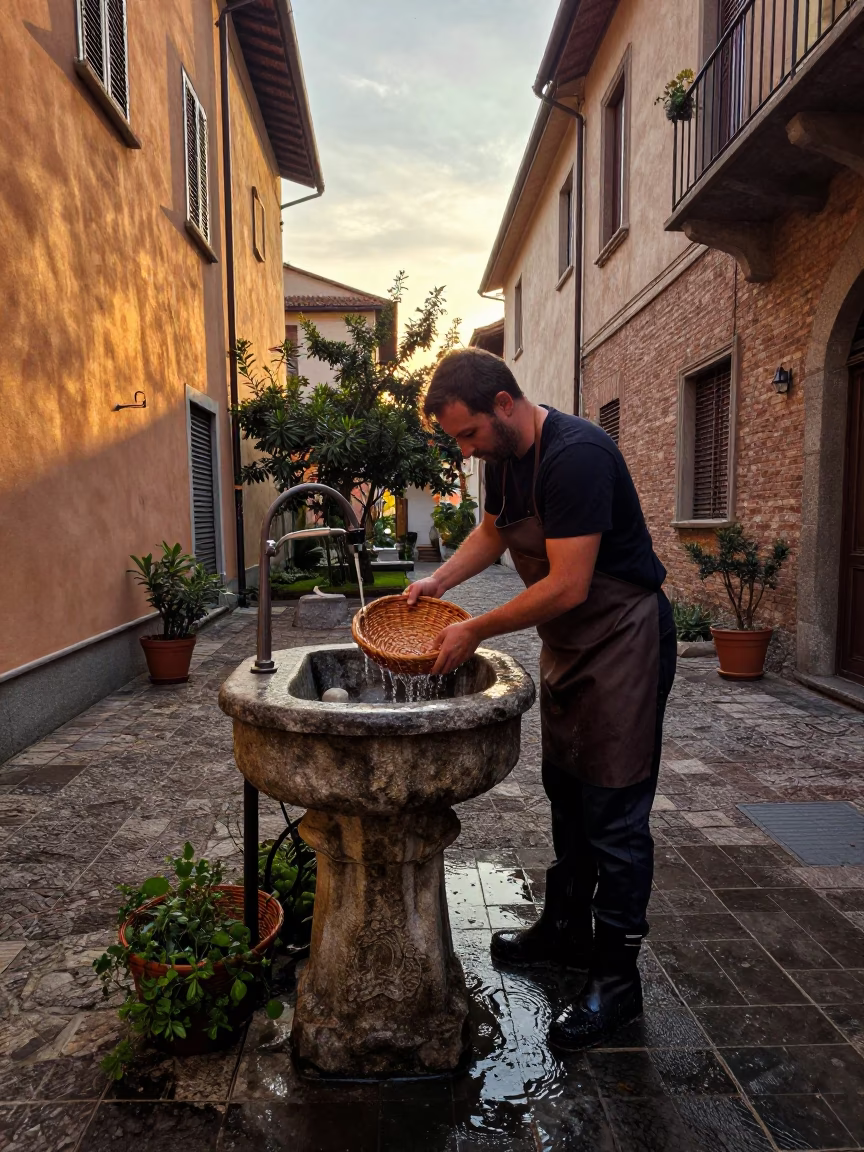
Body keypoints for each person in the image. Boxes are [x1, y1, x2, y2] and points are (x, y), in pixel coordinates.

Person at [407, 347, 676, 1052]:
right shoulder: (502, 460)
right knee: (567, 788)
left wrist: (475, 628)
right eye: (456, 440)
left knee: (615, 813)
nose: (464, 450)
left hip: (622, 637)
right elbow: (494, 533)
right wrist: (442, 582)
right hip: (568, 647)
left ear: (503, 403)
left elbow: (568, 584)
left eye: (468, 435)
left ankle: (617, 984)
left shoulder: (578, 454)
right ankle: (564, 931)